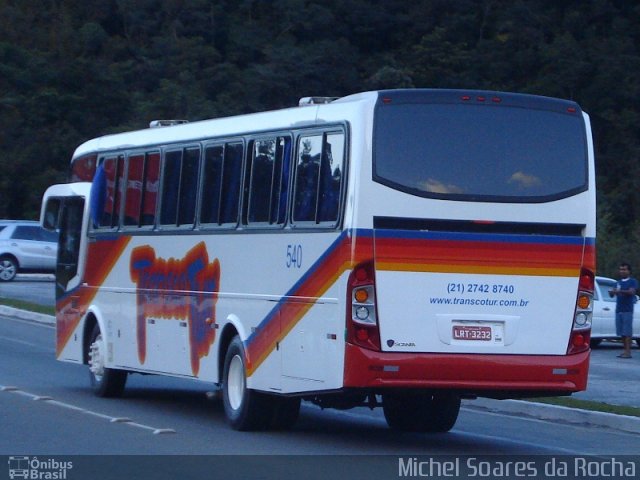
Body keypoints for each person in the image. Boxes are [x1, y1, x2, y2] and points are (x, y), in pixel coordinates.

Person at [609, 262, 637, 358]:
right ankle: (624, 351)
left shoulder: (632, 281)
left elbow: (631, 292)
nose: (622, 271)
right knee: (621, 333)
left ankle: (628, 352)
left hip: (627, 310)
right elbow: (612, 295)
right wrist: (612, 292)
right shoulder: (617, 282)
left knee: (627, 332)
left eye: (624, 269)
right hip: (618, 310)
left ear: (629, 271)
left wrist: (619, 291)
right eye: (621, 269)